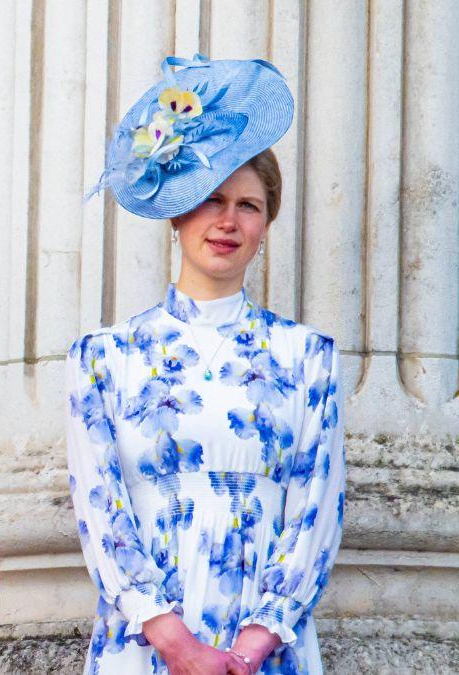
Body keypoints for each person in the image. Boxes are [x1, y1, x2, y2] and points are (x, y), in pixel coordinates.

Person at [67, 56, 345, 675]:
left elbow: (316, 507)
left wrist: (254, 644)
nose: (228, 220)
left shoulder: (307, 357)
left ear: (267, 222)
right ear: (176, 212)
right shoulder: (104, 357)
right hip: (144, 639)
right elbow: (99, 505)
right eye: (212, 199)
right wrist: (175, 642)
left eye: (248, 204)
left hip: (267, 642)